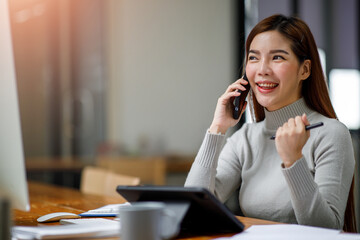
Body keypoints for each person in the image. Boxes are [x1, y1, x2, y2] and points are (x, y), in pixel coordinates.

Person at [185, 14, 356, 231]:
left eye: (277, 58)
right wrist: (217, 128)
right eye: (254, 58)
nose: (262, 69)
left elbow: (325, 229)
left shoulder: (332, 134)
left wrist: (293, 161)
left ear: (304, 70)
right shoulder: (245, 138)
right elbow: (194, 211)